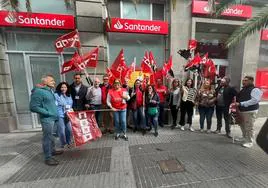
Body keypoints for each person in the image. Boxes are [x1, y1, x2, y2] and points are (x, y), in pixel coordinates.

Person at [30, 74, 62, 166]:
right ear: (45, 82)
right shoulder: (39, 92)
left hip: (54, 118)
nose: (54, 82)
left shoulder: (50, 90)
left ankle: (52, 151)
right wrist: (47, 112)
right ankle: (48, 158)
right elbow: (33, 107)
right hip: (47, 119)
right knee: (47, 138)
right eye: (51, 80)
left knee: (52, 137)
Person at [235, 76, 263, 148]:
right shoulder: (244, 89)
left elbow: (254, 100)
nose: (243, 82)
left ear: (251, 81)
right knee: (242, 125)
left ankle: (250, 141)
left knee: (249, 126)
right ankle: (244, 137)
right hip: (242, 110)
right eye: (243, 80)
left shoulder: (255, 89)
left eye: (246, 80)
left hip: (250, 111)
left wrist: (241, 103)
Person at [54, 82, 73, 149]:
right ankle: (63, 143)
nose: (63, 88)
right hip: (60, 115)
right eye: (62, 87)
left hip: (68, 115)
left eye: (65, 87)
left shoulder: (69, 95)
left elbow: (70, 105)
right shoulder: (56, 95)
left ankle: (69, 142)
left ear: (67, 88)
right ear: (59, 88)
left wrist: (70, 110)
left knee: (69, 130)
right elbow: (55, 105)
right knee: (62, 131)